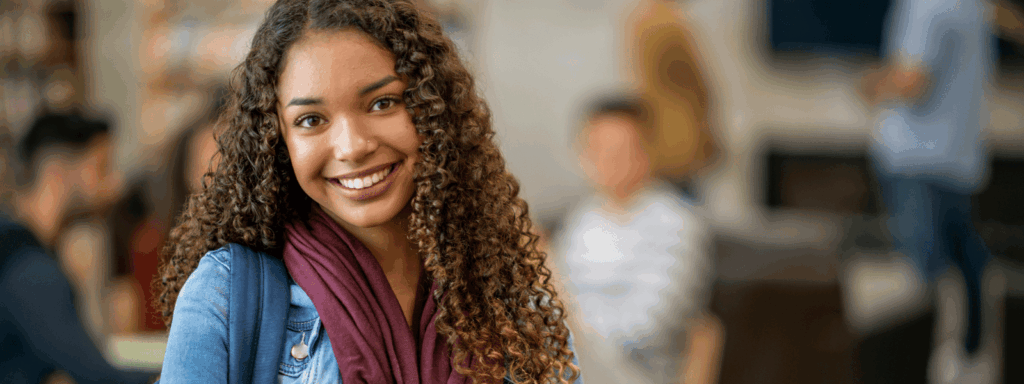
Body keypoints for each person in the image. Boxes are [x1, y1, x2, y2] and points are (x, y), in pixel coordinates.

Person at [155, 1, 582, 383]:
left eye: (382, 103)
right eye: (310, 120)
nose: (352, 146)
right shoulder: (228, 294)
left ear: (432, 108)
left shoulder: (502, 291)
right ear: (277, 141)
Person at [554, 95, 719, 384]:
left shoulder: (676, 223)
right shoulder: (579, 220)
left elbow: (646, 329)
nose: (607, 162)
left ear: (648, 150)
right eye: (597, 150)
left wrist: (570, 326)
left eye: (620, 150)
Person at [861, 0, 994, 357]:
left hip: (916, 158)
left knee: (921, 283)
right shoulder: (972, 6)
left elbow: (912, 81)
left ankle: (922, 364)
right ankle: (967, 360)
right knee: (964, 267)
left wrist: (868, 84)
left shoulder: (924, 5)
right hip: (959, 153)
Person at [0, 113, 151, 384]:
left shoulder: (23, 253)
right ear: (56, 172)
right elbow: (97, 378)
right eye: (102, 167)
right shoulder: (30, 268)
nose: (116, 185)